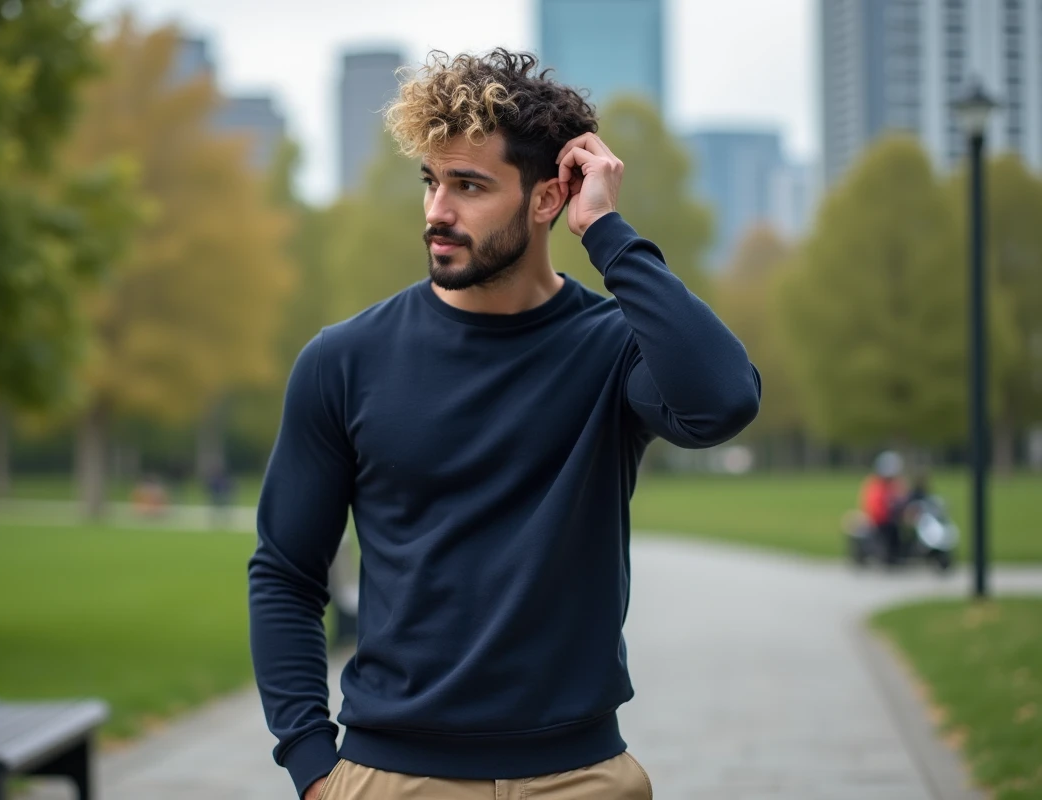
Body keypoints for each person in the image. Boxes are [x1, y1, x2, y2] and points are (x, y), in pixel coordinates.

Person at [249, 49, 761, 800]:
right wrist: (311, 768)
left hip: (580, 776)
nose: (436, 212)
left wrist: (610, 235)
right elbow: (287, 574)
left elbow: (722, 400)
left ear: (549, 198)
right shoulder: (343, 361)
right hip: (390, 778)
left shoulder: (615, 350)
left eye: (469, 186)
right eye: (431, 181)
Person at [860, 451, 907, 565]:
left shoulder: (896, 484)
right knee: (888, 530)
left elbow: (903, 498)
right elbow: (874, 505)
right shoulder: (875, 484)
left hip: (895, 517)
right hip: (881, 519)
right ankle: (888, 554)